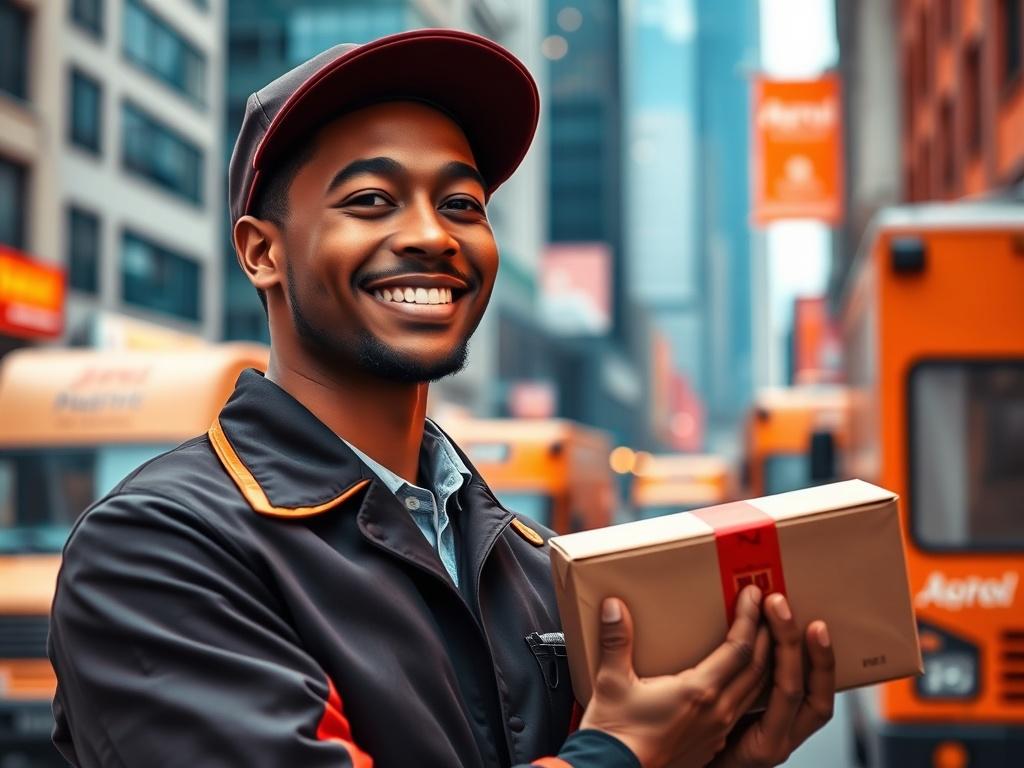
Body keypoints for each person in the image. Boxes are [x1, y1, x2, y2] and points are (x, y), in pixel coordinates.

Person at [48, 29, 835, 768]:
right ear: (263, 253)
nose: (434, 235)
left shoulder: (529, 561)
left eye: (462, 204)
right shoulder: (158, 548)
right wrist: (621, 755)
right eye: (370, 201)